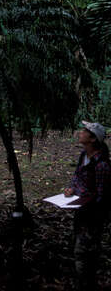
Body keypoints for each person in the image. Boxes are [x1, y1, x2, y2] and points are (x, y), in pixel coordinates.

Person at [64, 120, 111, 291]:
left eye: (84, 131)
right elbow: (77, 177)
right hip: (80, 211)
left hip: (92, 217)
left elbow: (102, 196)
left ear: (92, 139)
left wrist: (86, 202)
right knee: (78, 249)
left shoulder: (101, 165)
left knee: (84, 253)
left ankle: (87, 284)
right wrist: (71, 188)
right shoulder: (83, 156)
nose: (80, 132)